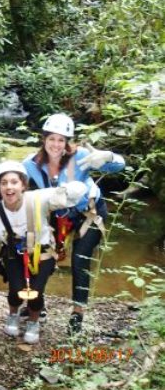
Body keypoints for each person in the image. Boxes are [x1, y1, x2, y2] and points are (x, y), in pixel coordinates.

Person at [0, 161, 87, 344]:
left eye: (14, 182)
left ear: (23, 185)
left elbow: (77, 193)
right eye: (4, 183)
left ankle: (33, 322)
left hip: (43, 252)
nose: (9, 187)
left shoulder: (39, 198)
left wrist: (66, 191)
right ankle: (13, 314)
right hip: (13, 254)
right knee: (15, 290)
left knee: (36, 291)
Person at [22, 113, 125, 334]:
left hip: (89, 215)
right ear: (44, 139)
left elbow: (119, 166)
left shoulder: (83, 157)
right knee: (41, 258)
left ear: (67, 142)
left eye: (61, 140)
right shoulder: (31, 164)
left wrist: (108, 157)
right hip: (58, 217)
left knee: (80, 261)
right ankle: (38, 304)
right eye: (52, 139)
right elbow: (17, 183)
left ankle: (78, 313)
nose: (56, 145)